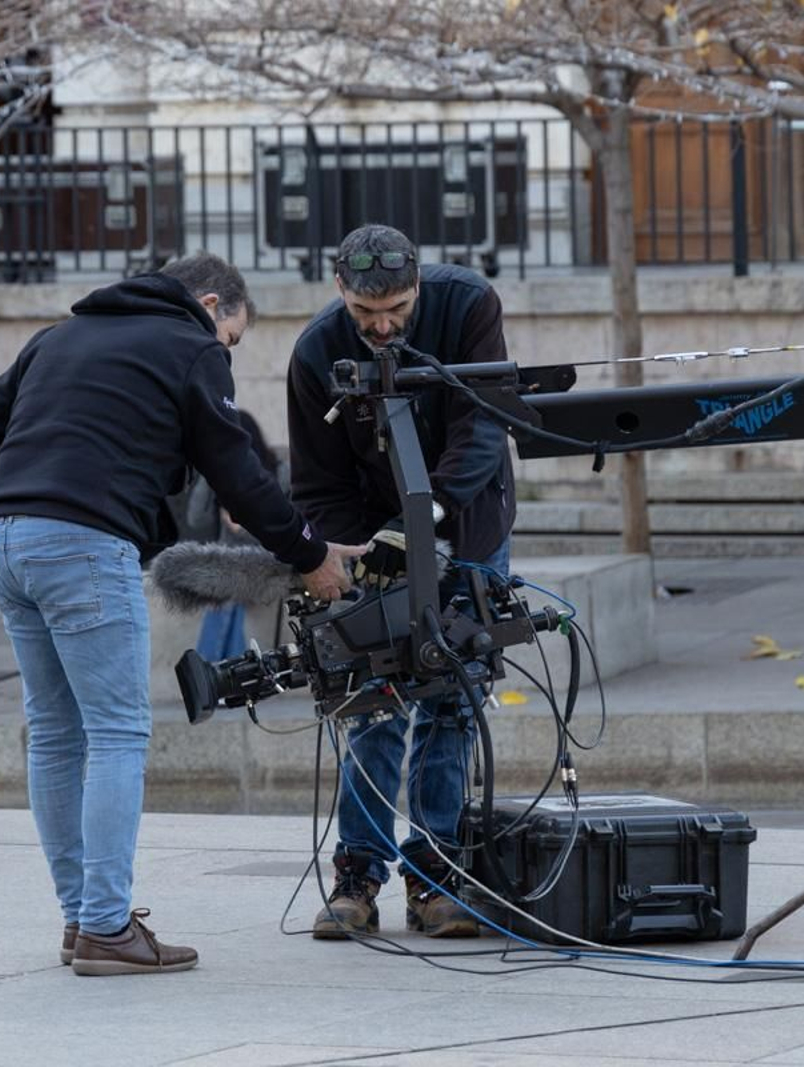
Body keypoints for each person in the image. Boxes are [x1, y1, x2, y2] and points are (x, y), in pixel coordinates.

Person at [0, 253, 367, 976]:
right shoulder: (190, 347)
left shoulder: (57, 338)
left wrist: (13, 505)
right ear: (211, 303)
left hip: (5, 539)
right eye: (232, 338)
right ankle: (108, 927)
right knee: (117, 731)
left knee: (55, 732)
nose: (226, 353)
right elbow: (239, 470)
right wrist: (308, 551)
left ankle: (81, 918)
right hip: (83, 543)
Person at [286, 224, 515, 939]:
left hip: (466, 521)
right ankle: (357, 875)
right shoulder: (316, 351)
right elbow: (318, 481)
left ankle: (437, 873)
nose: (383, 326)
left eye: (398, 310)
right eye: (366, 315)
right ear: (340, 294)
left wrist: (433, 514)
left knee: (453, 691)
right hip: (369, 539)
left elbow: (485, 425)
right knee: (371, 699)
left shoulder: (470, 304)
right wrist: (353, 553)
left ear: (418, 286)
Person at [185, 408, 288, 660]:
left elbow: (288, 524)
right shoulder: (221, 475)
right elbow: (195, 518)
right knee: (226, 595)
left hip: (264, 563)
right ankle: (233, 672)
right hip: (227, 565)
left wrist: (246, 526)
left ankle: (212, 669)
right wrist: (210, 475)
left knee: (224, 593)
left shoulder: (279, 471)